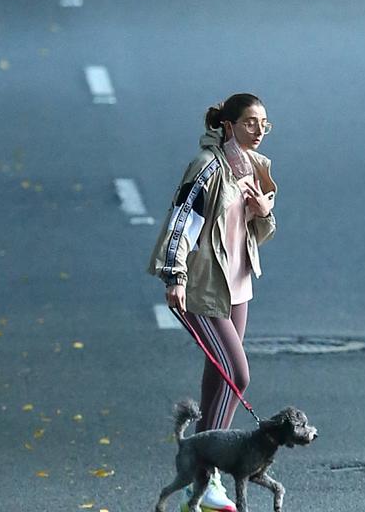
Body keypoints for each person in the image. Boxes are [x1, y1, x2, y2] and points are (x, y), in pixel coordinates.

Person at [149, 93, 277, 512]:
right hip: (203, 287)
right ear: (228, 125)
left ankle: (198, 483)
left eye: (264, 124)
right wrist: (175, 275)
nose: (259, 131)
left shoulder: (254, 168)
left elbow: (257, 227)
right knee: (237, 375)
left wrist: (263, 211)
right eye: (250, 123)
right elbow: (183, 219)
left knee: (218, 378)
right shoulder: (207, 167)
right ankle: (207, 472)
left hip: (237, 285)